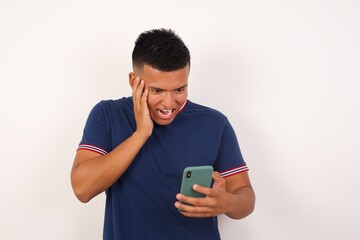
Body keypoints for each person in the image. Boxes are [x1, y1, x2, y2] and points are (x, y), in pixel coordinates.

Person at [71, 28, 255, 240]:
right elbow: (82, 189)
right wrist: (141, 134)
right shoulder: (107, 115)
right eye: (157, 91)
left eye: (179, 90)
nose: (169, 103)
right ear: (134, 81)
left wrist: (227, 202)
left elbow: (245, 195)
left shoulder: (215, 123)